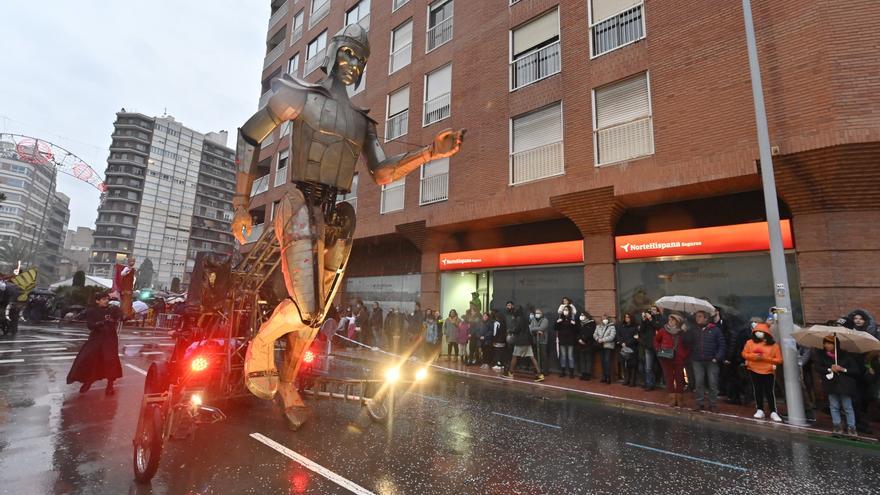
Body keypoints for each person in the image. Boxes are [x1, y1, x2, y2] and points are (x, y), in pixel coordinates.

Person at [66, 291, 123, 395]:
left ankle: (110, 386)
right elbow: (90, 325)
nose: (106, 301)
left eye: (107, 299)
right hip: (96, 339)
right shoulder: (92, 311)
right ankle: (88, 381)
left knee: (110, 361)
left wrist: (120, 317)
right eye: (103, 299)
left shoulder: (113, 309)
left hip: (110, 339)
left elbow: (121, 317)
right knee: (88, 358)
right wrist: (102, 323)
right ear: (97, 301)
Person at [815, 336, 860, 436]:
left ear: (836, 345)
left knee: (847, 407)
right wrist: (829, 369)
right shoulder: (822, 355)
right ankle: (837, 426)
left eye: (830, 343)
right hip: (831, 384)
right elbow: (818, 367)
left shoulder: (846, 355)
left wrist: (843, 369)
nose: (826, 345)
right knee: (834, 406)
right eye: (825, 343)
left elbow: (856, 370)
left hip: (845, 385)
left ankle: (851, 427)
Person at [741, 323, 783, 422]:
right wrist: (754, 357)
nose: (759, 333)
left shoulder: (774, 345)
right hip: (754, 369)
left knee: (769, 391)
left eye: (761, 332)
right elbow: (744, 354)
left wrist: (765, 358)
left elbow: (779, 360)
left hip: (768, 371)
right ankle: (760, 409)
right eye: (757, 331)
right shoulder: (749, 343)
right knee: (757, 390)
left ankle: (773, 411)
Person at [690, 310, 726, 412]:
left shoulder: (715, 330)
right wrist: (686, 332)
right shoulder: (694, 330)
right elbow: (688, 342)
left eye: (700, 316)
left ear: (706, 318)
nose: (697, 318)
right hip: (697, 360)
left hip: (711, 361)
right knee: (699, 382)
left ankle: (713, 404)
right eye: (696, 316)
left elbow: (722, 345)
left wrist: (717, 357)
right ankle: (699, 403)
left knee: (713, 383)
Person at [654, 314, 690, 407]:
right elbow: (656, 340)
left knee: (680, 378)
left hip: (679, 358)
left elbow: (688, 344)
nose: (670, 321)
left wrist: (684, 354)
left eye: (673, 320)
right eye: (669, 319)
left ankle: (680, 399)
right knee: (669, 378)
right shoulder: (663, 330)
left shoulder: (682, 332)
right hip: (666, 358)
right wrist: (658, 349)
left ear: (677, 321)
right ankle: (672, 399)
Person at [503, 307, 545, 382]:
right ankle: (540, 374)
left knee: (514, 356)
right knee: (532, 357)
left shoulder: (519, 319)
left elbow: (517, 330)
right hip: (527, 341)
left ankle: (510, 372)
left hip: (520, 341)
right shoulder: (526, 319)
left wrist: (510, 330)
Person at [638, 310, 660, 390]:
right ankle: (649, 384)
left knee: (662, 366)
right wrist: (643, 320)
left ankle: (663, 383)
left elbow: (658, 327)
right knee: (648, 367)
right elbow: (641, 331)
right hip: (648, 346)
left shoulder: (657, 319)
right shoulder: (645, 322)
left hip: (658, 346)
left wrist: (651, 319)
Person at [593, 315, 617, 384]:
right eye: (603, 319)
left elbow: (612, 336)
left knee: (607, 361)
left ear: (608, 319)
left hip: (608, 346)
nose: (604, 320)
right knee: (602, 362)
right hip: (600, 346)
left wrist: (602, 340)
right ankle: (604, 376)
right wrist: (598, 339)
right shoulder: (598, 326)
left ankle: (608, 377)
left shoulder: (611, 326)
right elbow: (595, 334)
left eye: (606, 318)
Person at [617, 313, 639, 387]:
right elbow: (619, 335)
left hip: (632, 348)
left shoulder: (635, 327)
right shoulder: (622, 326)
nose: (626, 318)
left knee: (633, 365)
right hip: (623, 348)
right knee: (624, 364)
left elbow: (636, 337)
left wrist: (627, 343)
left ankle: (633, 381)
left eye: (628, 317)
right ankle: (626, 380)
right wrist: (622, 343)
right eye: (625, 317)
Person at [556, 306, 577, 378]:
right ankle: (563, 372)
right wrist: (557, 323)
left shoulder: (572, 318)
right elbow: (555, 328)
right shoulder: (560, 318)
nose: (565, 311)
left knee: (570, 356)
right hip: (562, 340)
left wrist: (573, 324)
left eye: (567, 310)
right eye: (564, 310)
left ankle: (571, 373)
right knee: (563, 356)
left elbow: (576, 330)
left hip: (570, 340)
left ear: (570, 311)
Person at [576, 312, 597, 380]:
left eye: (582, 315)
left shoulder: (591, 323)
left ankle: (588, 374)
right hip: (580, 344)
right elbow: (577, 332)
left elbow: (591, 333)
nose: (581, 316)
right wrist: (579, 339)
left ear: (586, 316)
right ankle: (583, 373)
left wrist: (583, 340)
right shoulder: (580, 324)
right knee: (582, 359)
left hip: (588, 344)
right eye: (581, 315)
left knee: (588, 359)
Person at [530, 308, 550, 373]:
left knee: (543, 356)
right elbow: (530, 328)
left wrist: (534, 329)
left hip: (543, 340)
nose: (537, 314)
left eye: (539, 313)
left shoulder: (545, 320)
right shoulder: (533, 319)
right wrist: (537, 330)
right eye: (536, 313)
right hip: (535, 340)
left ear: (542, 314)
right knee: (535, 355)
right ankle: (537, 369)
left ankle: (545, 370)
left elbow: (542, 328)